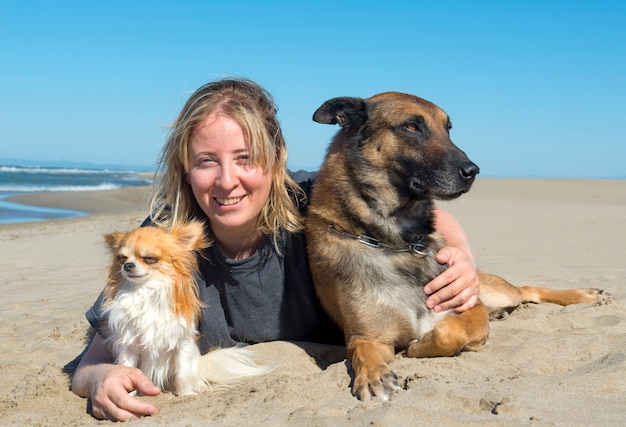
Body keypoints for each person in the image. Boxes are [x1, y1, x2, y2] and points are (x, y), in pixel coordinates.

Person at [70, 78, 480, 421]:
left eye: (245, 158)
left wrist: (462, 258)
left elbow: (430, 218)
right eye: (207, 161)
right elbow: (93, 361)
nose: (227, 181)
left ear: (275, 159)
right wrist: (100, 378)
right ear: (185, 170)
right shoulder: (161, 244)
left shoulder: (312, 200)